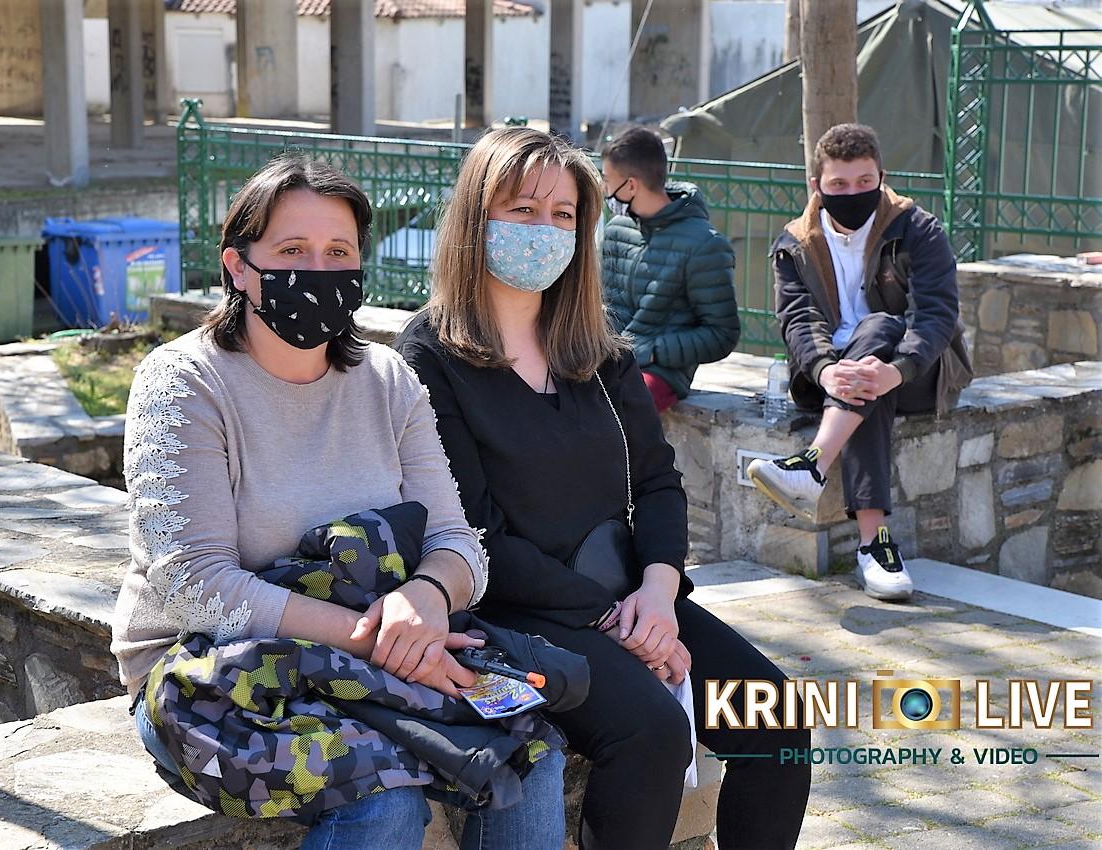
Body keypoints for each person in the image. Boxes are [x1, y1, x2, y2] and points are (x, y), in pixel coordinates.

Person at [110, 155, 567, 850]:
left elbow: (457, 541)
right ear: (238, 267)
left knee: (529, 756)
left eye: (338, 253)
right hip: (214, 669)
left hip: (376, 655)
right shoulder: (184, 383)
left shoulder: (388, 379)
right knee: (382, 801)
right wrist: (384, 641)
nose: (317, 270)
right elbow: (195, 585)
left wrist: (425, 598)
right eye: (292, 251)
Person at [394, 127, 811, 850]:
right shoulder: (429, 356)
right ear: (475, 218)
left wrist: (657, 592)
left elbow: (657, 482)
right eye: (523, 210)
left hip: (630, 597)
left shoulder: (599, 351)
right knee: (650, 733)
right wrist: (614, 620)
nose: (544, 230)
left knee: (774, 715)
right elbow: (475, 529)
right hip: (518, 608)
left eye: (563, 215)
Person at [747, 123, 972, 601]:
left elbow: (935, 316)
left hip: (918, 372)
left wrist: (897, 369)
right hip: (834, 378)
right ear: (817, 186)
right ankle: (875, 546)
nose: (853, 193)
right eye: (840, 184)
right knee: (866, 375)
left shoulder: (918, 229)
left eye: (865, 181)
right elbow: (798, 319)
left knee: (880, 327)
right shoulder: (795, 243)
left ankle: (813, 463)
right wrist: (827, 369)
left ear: (881, 178)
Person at [600, 126, 740, 411]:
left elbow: (722, 334)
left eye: (606, 180)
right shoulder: (617, 230)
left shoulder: (705, 244)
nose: (604, 190)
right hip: (607, 360)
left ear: (631, 186)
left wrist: (652, 351)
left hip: (658, 372)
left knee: (615, 408)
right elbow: (606, 305)